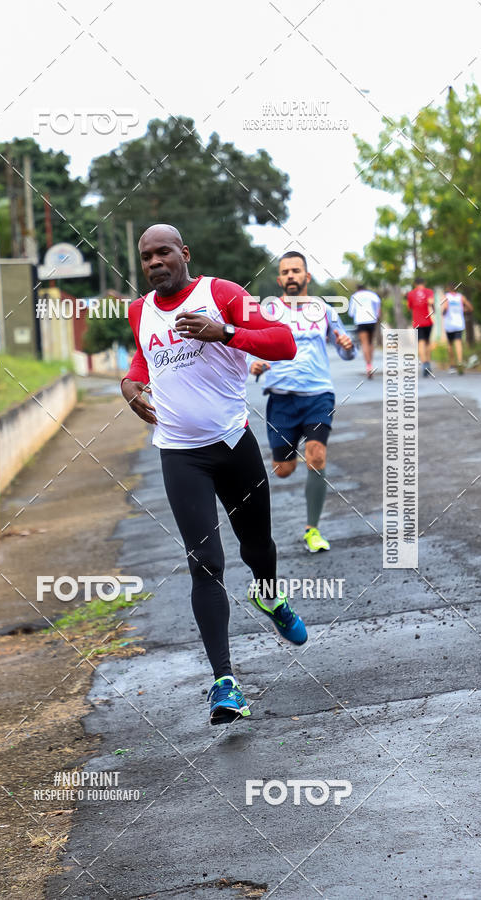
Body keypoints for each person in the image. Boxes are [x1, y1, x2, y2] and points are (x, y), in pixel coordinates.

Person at [121, 224, 308, 726]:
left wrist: (224, 331)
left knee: (258, 547)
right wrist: (129, 384)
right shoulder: (140, 310)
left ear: (185, 252)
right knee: (205, 561)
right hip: (180, 453)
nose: (155, 262)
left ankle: (269, 596)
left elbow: (283, 342)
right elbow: (142, 358)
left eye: (164, 252)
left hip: (233, 444)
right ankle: (225, 684)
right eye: (146, 257)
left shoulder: (222, 294)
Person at [249, 251, 355, 553]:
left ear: (307, 276)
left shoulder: (322, 309)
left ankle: (313, 530)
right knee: (283, 469)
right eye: (286, 271)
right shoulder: (267, 311)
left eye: (297, 270)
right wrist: (255, 365)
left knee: (317, 455)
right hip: (281, 400)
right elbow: (253, 349)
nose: (291, 275)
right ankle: (289, 456)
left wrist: (347, 347)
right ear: (280, 279)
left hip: (318, 395)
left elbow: (346, 350)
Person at [348, 284, 381, 377]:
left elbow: (351, 313)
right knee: (371, 343)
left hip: (361, 321)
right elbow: (378, 305)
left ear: (357, 289)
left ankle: (368, 366)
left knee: (364, 343)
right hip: (371, 320)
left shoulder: (354, 296)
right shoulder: (371, 294)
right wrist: (376, 315)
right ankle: (371, 363)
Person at [406, 277, 435, 376]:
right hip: (428, 321)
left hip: (417, 322)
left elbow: (409, 307)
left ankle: (425, 364)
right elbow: (431, 302)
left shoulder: (410, 294)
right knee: (427, 342)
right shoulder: (429, 291)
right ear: (424, 283)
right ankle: (428, 363)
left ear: (415, 284)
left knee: (420, 342)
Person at [441, 286, 473, 375]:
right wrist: (464, 310)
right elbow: (470, 308)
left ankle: (452, 365)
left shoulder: (446, 296)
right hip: (459, 323)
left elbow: (445, 307)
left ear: (448, 288)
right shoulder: (461, 297)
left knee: (450, 344)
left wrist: (443, 313)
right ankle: (460, 363)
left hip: (449, 324)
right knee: (458, 342)